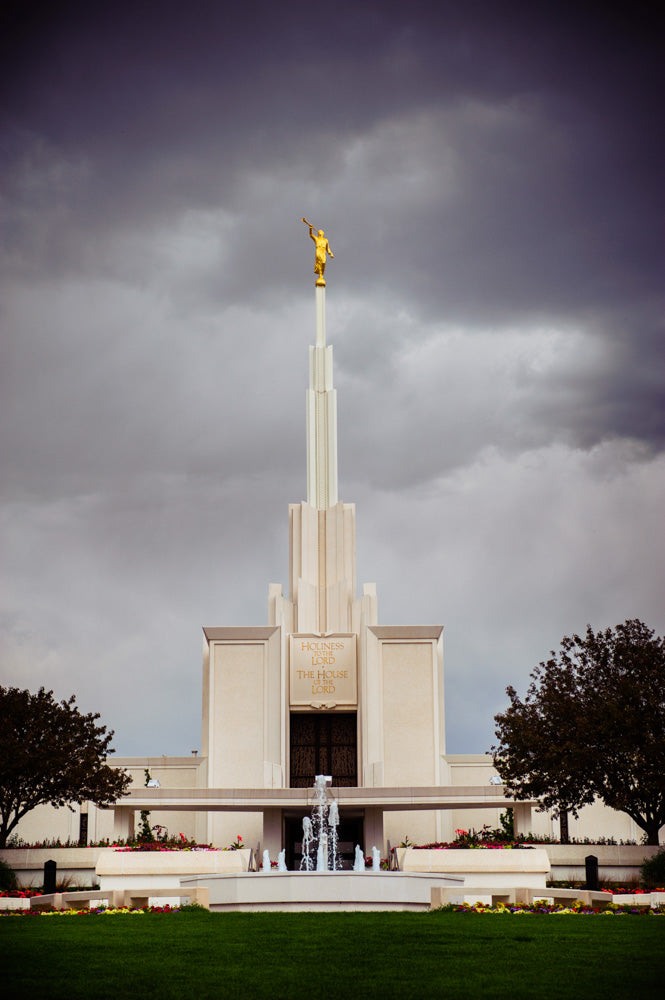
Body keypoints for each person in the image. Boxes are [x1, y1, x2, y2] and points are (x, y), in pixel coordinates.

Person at [303, 218, 334, 284]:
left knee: (323, 262)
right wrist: (310, 228)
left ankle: (321, 274)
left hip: (323, 252)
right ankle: (320, 275)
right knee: (319, 262)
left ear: (323, 234)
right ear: (318, 233)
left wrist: (330, 253)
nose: (320, 233)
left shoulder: (325, 240)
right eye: (319, 232)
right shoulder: (316, 239)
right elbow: (311, 235)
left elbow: (327, 248)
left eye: (321, 232)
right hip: (318, 251)